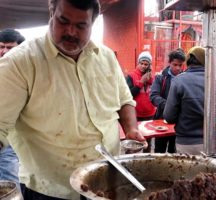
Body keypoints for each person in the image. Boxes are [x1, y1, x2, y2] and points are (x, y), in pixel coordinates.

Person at [0, 0, 146, 199]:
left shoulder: (106, 57)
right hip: (51, 191)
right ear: (52, 12)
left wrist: (131, 129)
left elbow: (124, 100)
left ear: (92, 23)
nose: (71, 32)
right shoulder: (19, 63)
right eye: (63, 21)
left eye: (80, 25)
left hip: (107, 183)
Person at [163, 46, 216, 155]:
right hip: (210, 143)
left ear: (187, 62)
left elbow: (169, 117)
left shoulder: (178, 81)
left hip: (185, 143)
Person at [0, 28, 25, 189]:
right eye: (1, 46)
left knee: (10, 187)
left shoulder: (23, 74)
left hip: (9, 143)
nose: (4, 51)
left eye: (9, 47)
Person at [150, 49, 186, 153]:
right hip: (161, 119)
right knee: (159, 151)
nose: (178, 68)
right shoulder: (160, 78)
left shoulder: (185, 79)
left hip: (178, 122)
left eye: (180, 65)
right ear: (169, 63)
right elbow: (153, 96)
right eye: (175, 64)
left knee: (174, 152)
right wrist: (169, 105)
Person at [126, 51, 156, 152]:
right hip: (136, 114)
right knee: (134, 141)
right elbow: (129, 95)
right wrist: (140, 83)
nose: (143, 66)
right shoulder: (131, 76)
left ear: (149, 65)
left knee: (148, 141)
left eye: (146, 64)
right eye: (141, 63)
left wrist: (149, 77)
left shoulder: (152, 77)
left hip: (150, 113)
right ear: (138, 63)